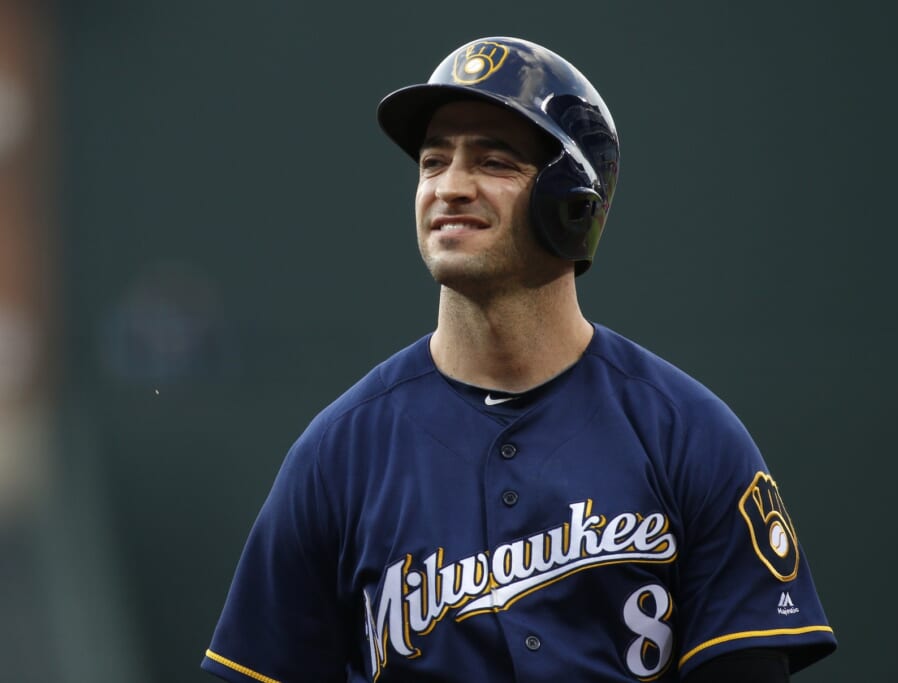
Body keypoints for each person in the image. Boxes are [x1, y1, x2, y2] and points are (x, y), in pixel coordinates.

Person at [201, 36, 837, 683]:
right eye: (433, 161)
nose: (450, 187)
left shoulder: (690, 435)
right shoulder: (336, 455)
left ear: (573, 199)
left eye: (493, 161)